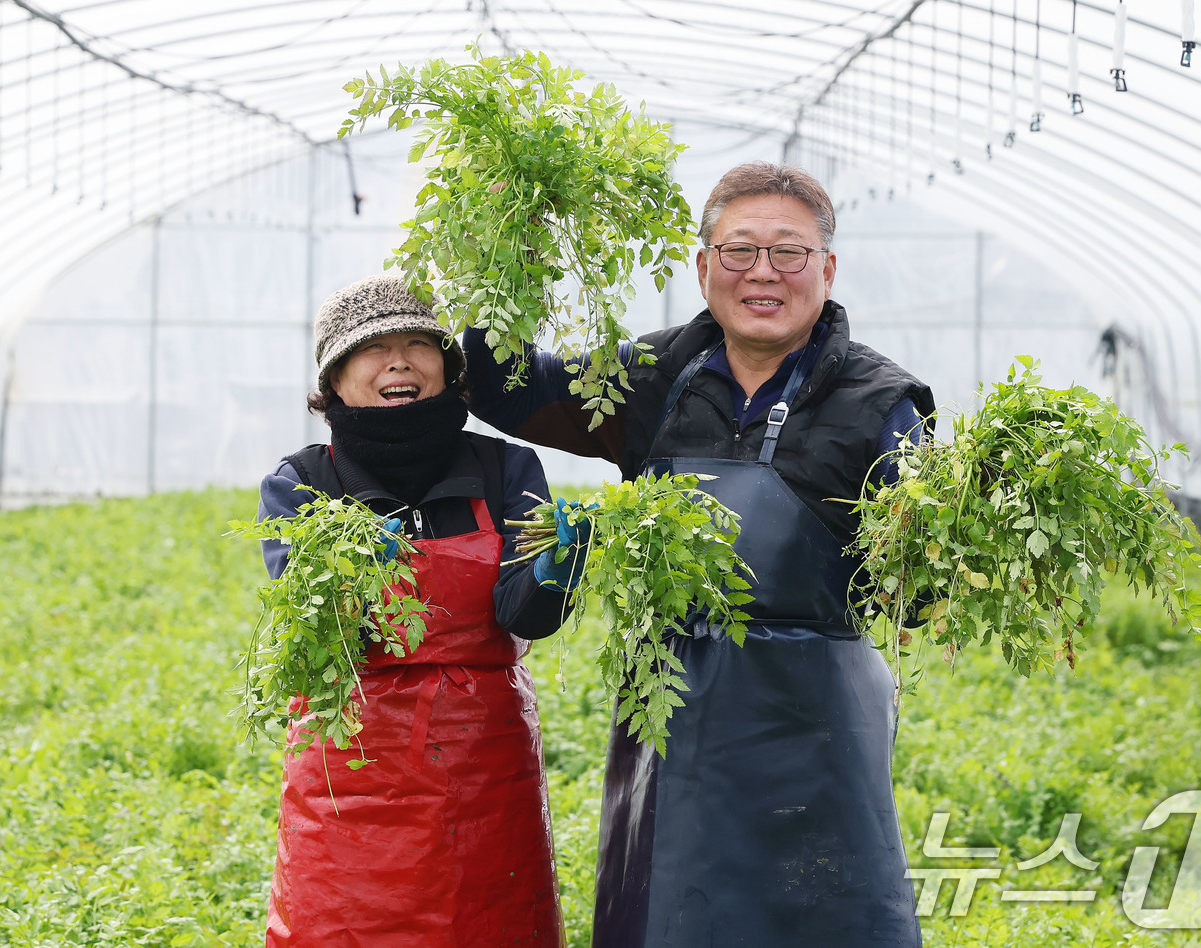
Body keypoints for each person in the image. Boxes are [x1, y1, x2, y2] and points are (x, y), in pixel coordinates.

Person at [463, 162, 932, 946]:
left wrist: (950, 534)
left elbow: (911, 590)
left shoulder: (880, 403)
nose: (763, 273)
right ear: (704, 263)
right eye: (740, 250)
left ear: (828, 268)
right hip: (674, 709)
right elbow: (504, 386)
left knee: (825, 917)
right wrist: (518, 240)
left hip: (816, 723)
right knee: (674, 917)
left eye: (789, 253)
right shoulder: (652, 377)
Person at [257, 275, 582, 947]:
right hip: (349, 769)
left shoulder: (506, 469)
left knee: (488, 922)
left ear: (447, 366)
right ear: (336, 377)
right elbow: (315, 631)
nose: (399, 361)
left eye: (418, 344)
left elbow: (526, 617)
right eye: (372, 349)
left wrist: (554, 575)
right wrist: (346, 582)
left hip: (481, 762)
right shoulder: (301, 483)